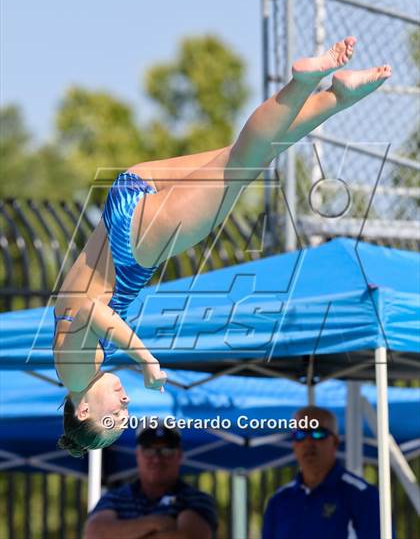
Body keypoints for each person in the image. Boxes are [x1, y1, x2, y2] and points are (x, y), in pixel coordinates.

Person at [53, 36, 392, 455]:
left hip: (130, 246)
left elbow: (91, 311)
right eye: (125, 416)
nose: (124, 404)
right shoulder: (85, 369)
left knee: (241, 164)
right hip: (125, 200)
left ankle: (304, 82)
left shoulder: (73, 374)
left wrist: (145, 358)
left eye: (114, 417)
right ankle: (337, 95)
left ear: (83, 411)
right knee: (248, 156)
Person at [262, 406, 381, 539]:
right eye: (300, 435)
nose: (308, 442)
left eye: (318, 433)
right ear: (293, 444)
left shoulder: (362, 495)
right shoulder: (279, 501)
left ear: (335, 442)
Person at [83, 425, 218, 539]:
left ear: (179, 455)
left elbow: (190, 536)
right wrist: (159, 522)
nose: (157, 459)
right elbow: (94, 533)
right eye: (149, 450)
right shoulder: (114, 497)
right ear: (137, 454)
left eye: (166, 450)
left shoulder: (197, 499)